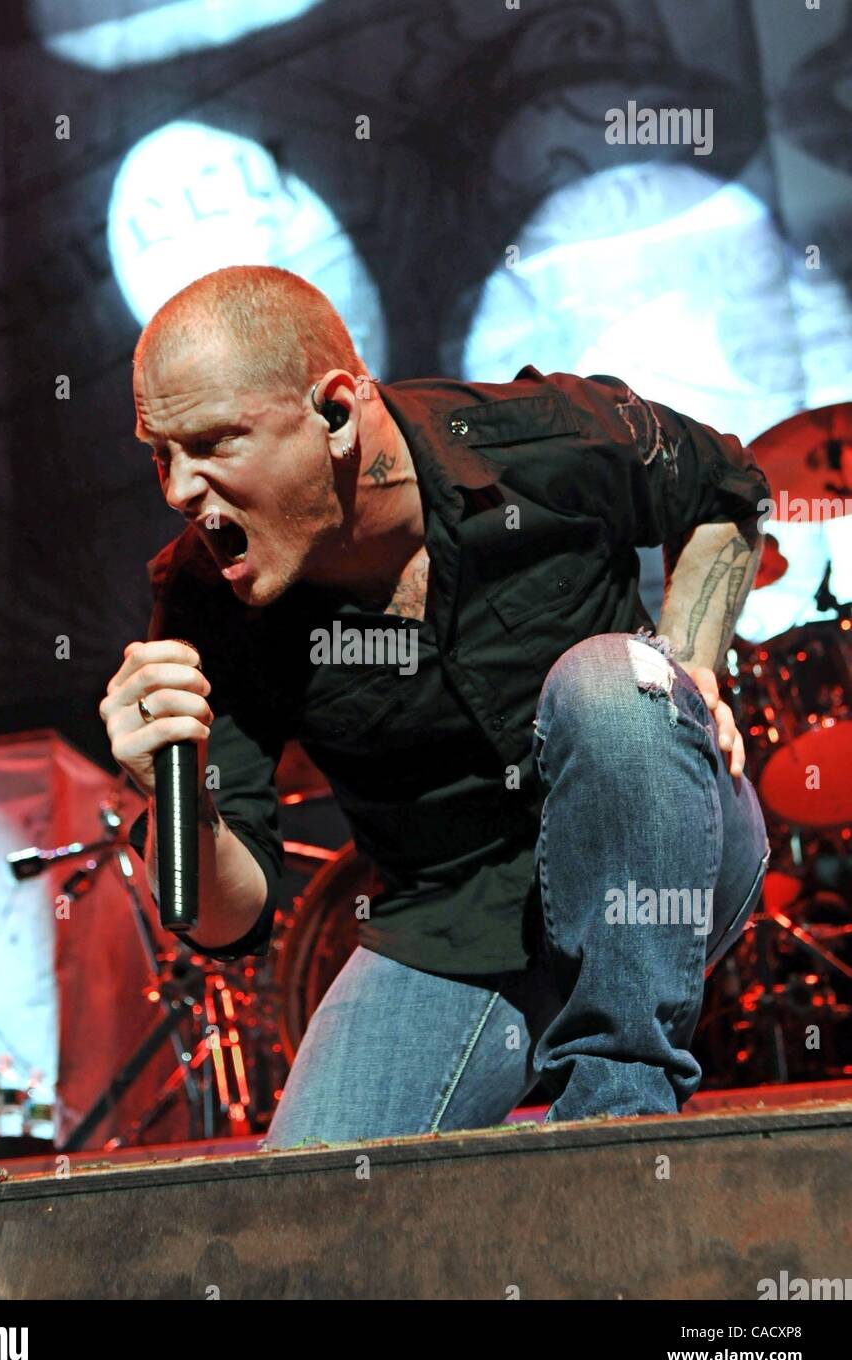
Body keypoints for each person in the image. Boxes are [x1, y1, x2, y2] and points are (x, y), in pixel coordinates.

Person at [99, 264, 772, 1146]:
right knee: (298, 1227)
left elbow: (728, 488)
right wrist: (169, 792)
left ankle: (615, 1131)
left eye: (214, 444)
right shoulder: (203, 601)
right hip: (454, 929)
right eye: (162, 454)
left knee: (613, 679)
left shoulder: (535, 440)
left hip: (654, 856)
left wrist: (685, 673)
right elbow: (233, 918)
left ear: (335, 411)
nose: (181, 490)